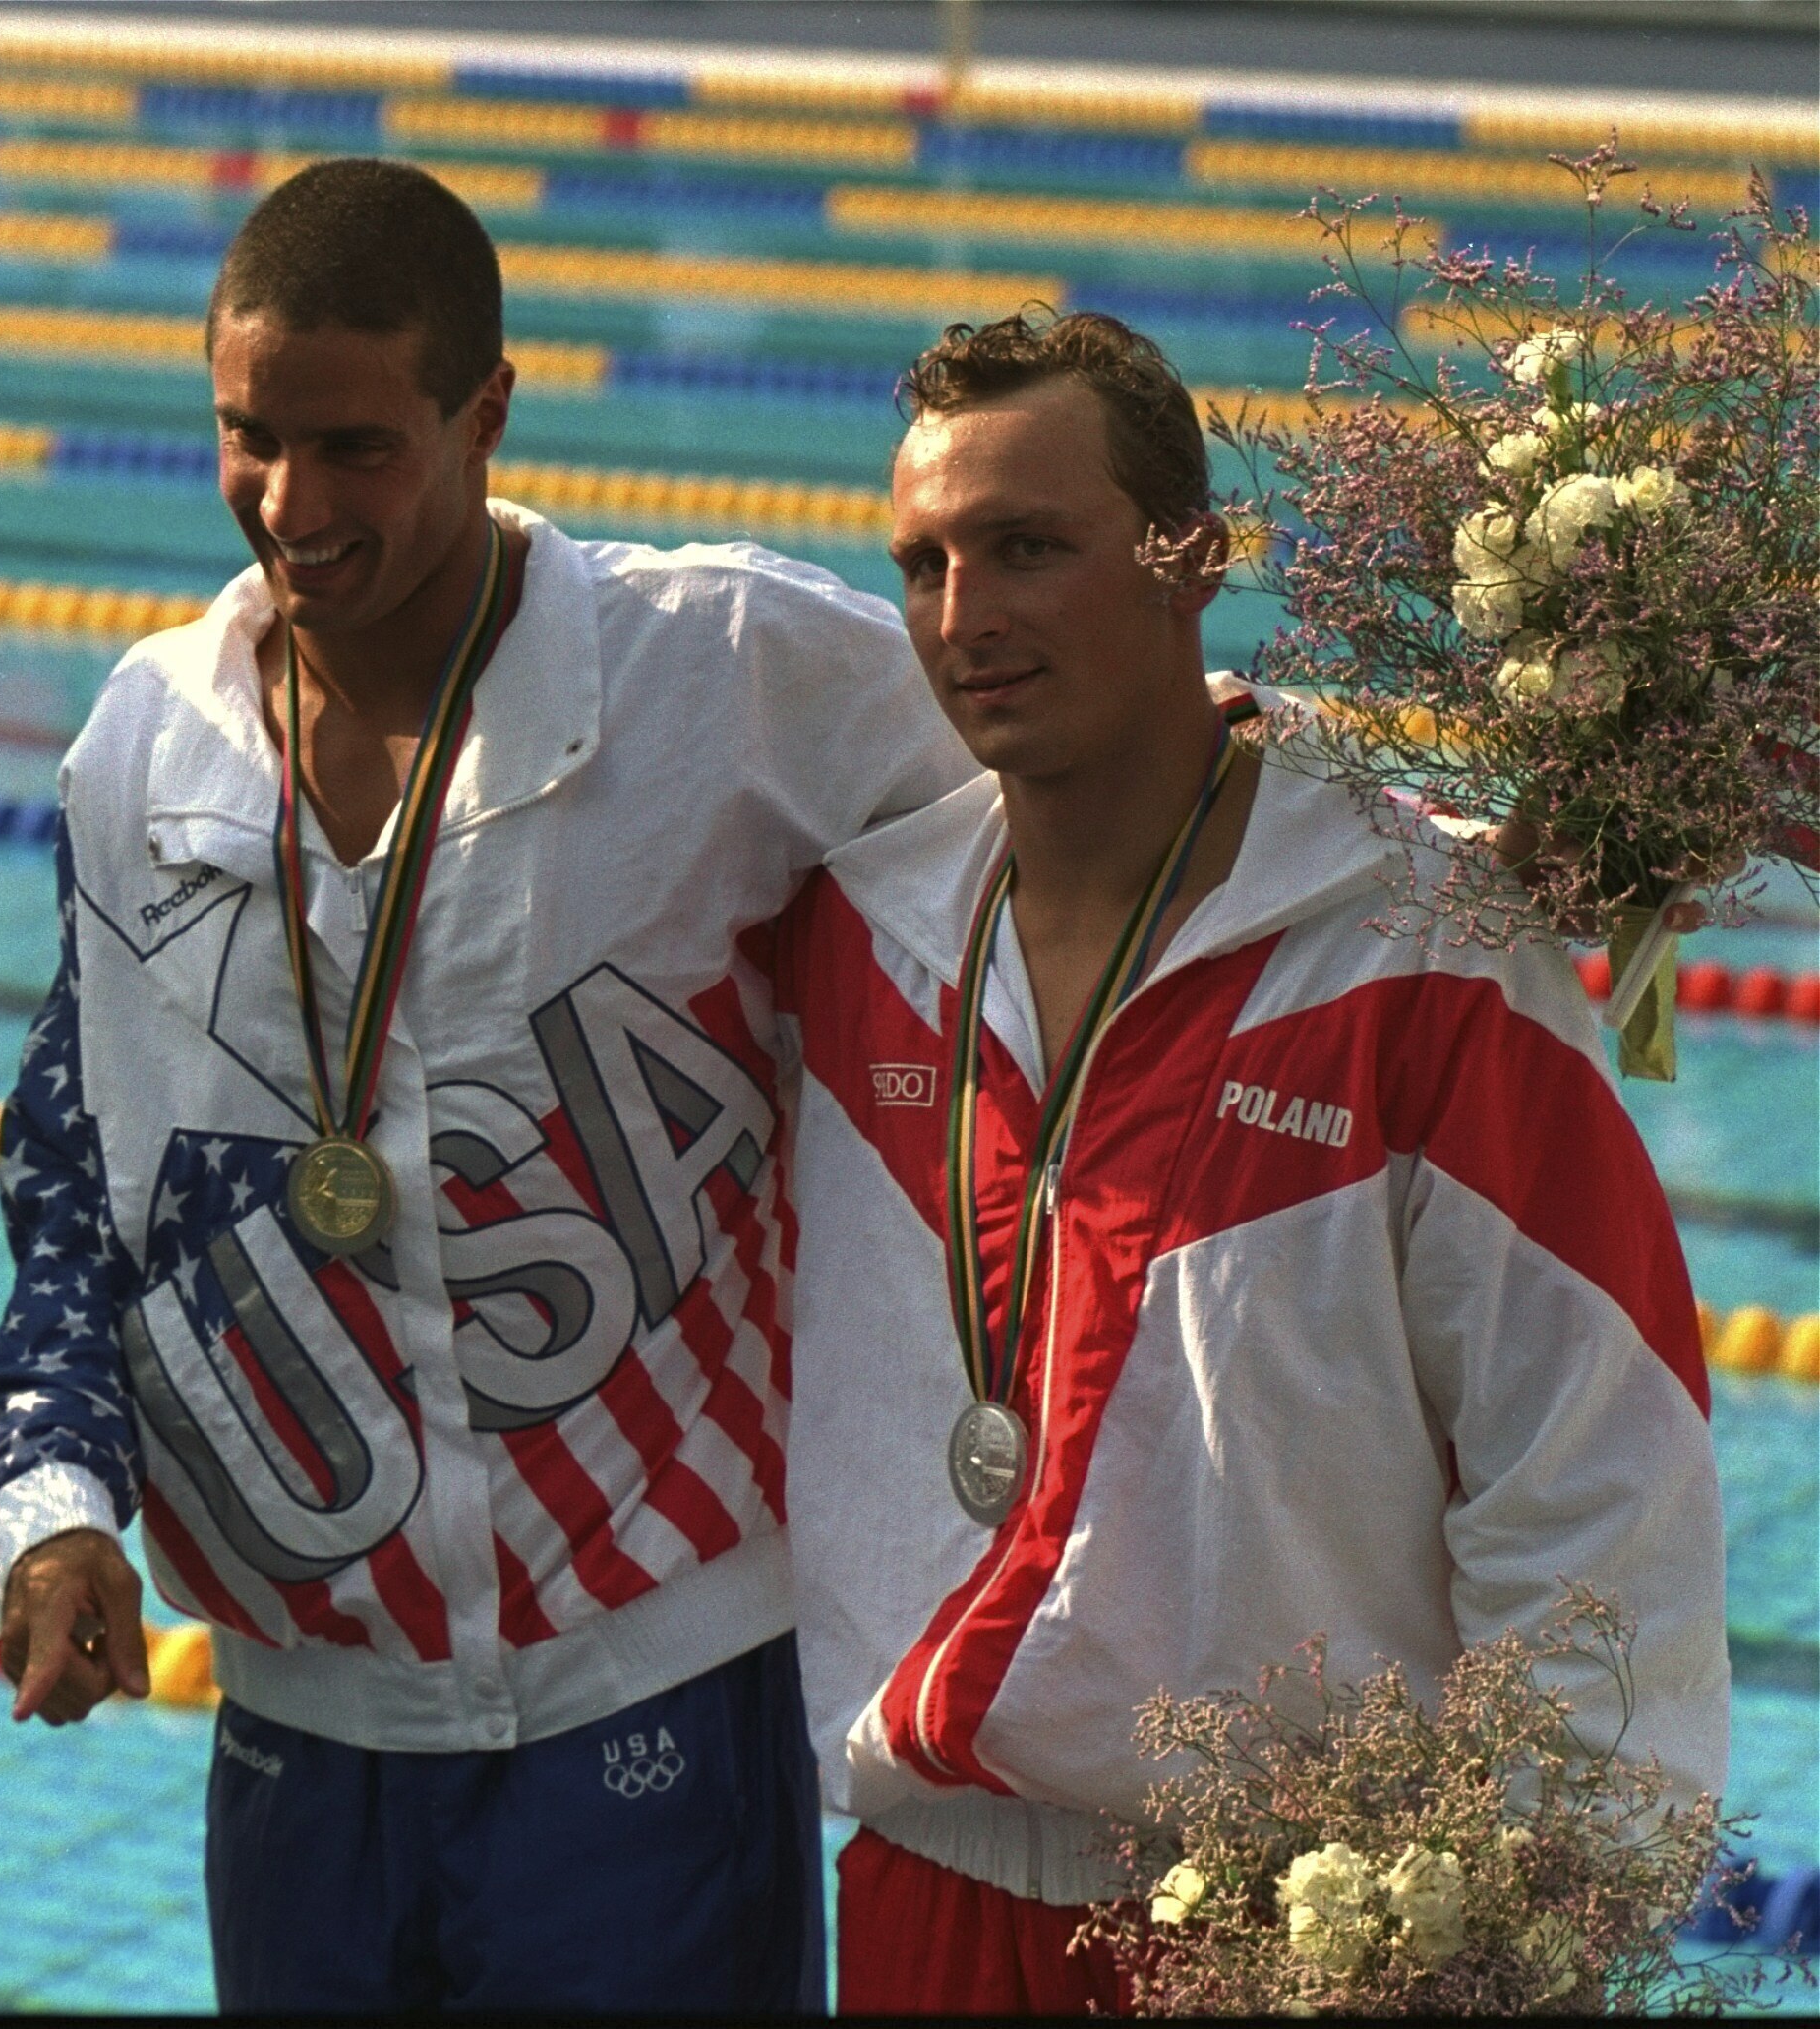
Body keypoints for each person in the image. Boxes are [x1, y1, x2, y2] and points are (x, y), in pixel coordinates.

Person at [0, 157, 973, 2011]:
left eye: (358, 448)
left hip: (651, 1677)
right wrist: (52, 1511)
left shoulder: (720, 672)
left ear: (486, 414)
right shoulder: (147, 746)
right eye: (249, 438)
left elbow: (1071, 795)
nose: (292, 504)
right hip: (303, 1718)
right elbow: (72, 1191)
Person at [767, 310, 1730, 2014]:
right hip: (926, 1897)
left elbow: (1594, 1476)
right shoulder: (862, 935)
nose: (965, 618)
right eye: (923, 563)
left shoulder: (1422, 958)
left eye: (1027, 548)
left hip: (1304, 1940)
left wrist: (1527, 1914)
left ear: (1190, 555)